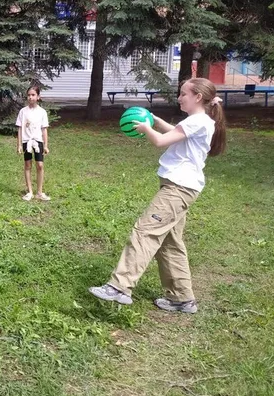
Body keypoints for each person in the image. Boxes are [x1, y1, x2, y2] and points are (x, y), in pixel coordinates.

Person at [89, 78, 227, 313]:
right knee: (170, 243)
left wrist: (146, 129)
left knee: (145, 232)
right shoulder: (199, 121)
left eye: (183, 94)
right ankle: (182, 299)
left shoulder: (198, 121)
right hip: (181, 188)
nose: (179, 98)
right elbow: (174, 132)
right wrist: (154, 119)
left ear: (198, 97)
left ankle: (119, 286)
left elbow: (161, 141)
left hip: (178, 190)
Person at [16, 84, 50, 201]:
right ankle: (30, 191)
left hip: (38, 141)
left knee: (40, 165)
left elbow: (44, 129)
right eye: (29, 95)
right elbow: (20, 128)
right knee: (28, 165)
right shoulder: (23, 112)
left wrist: (45, 145)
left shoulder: (42, 112)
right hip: (27, 141)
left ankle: (39, 192)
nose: (31, 97)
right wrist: (19, 145)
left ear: (38, 97)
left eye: (33, 95)